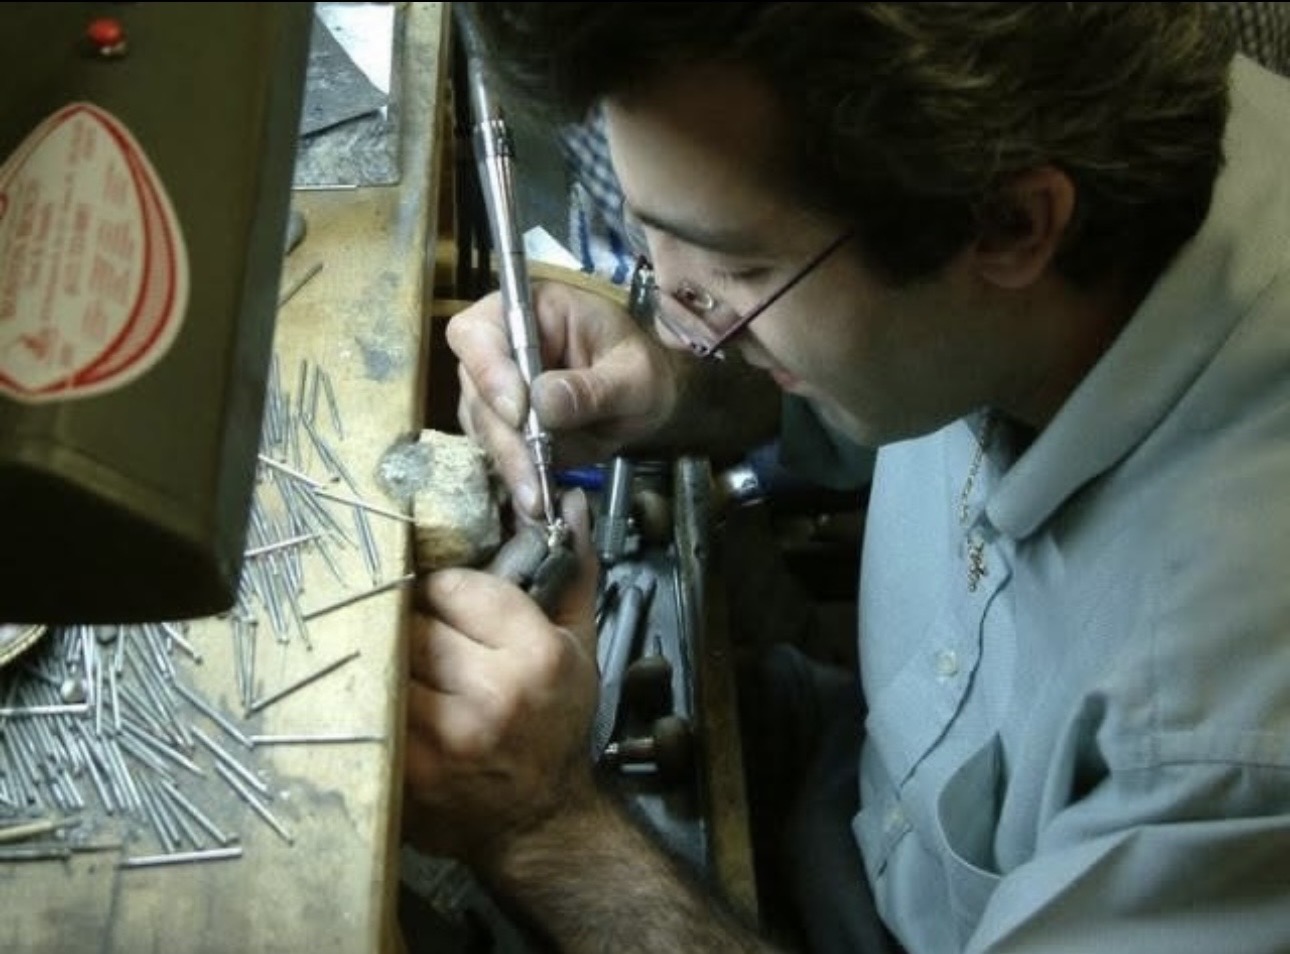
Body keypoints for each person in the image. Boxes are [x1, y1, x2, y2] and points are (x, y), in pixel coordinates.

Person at [402, 4, 1290, 952]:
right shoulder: (1078, 111)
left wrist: (544, 828)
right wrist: (675, 391)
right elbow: (895, 365)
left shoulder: (1222, 738)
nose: (676, 311)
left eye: (738, 267)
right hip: (855, 769)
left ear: (1013, 225)